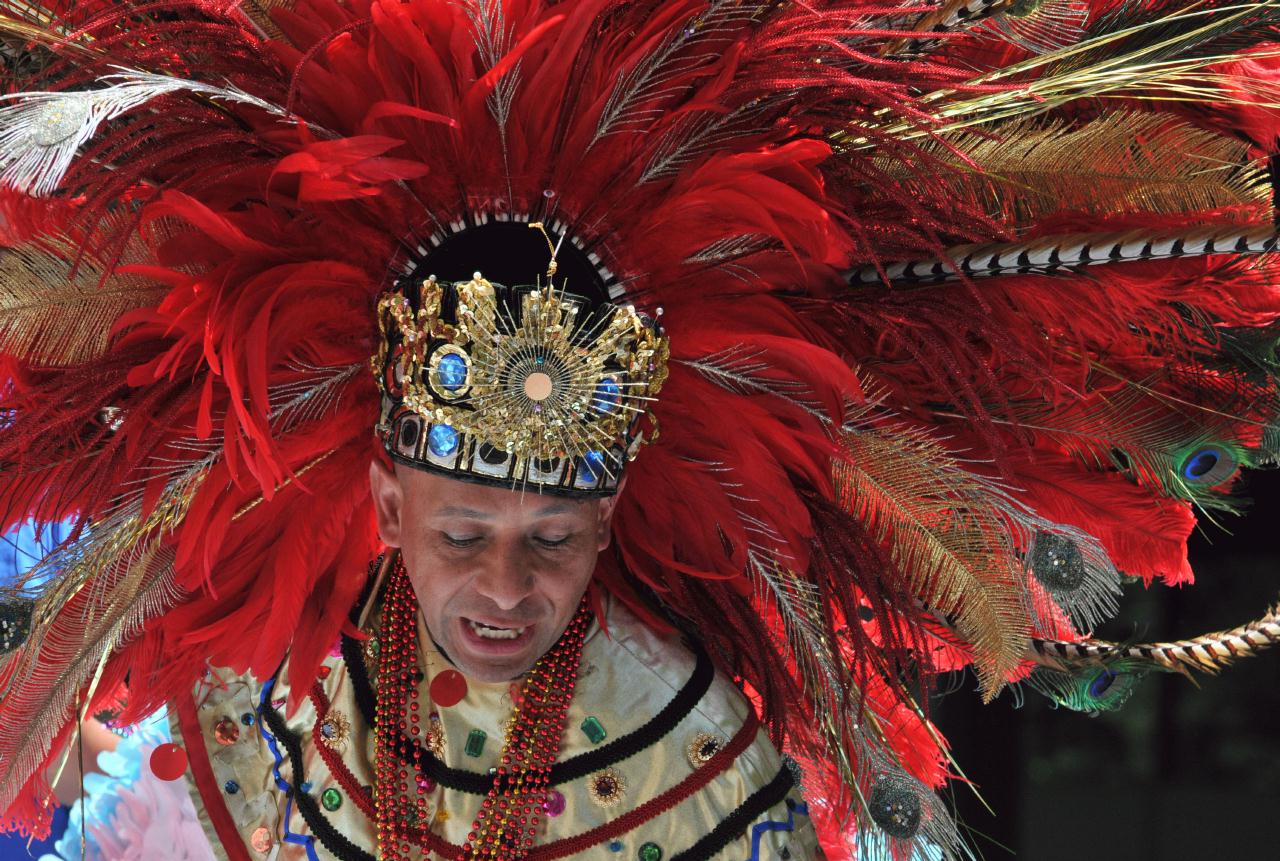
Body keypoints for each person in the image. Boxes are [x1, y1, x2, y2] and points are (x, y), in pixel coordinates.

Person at [1, 2, 1279, 859]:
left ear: (605, 520)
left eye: (550, 538)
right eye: (465, 531)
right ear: (387, 507)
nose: (505, 588)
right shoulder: (244, 730)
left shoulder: (703, 745)